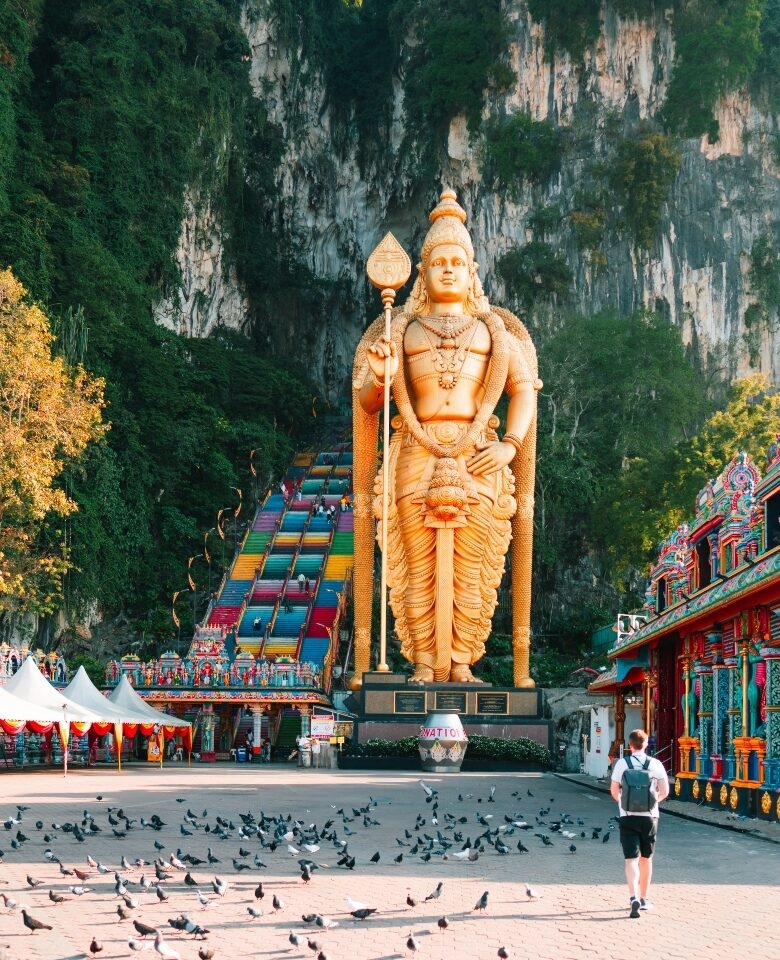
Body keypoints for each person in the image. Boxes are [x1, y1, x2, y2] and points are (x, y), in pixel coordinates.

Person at [353, 190, 540, 684]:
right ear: (422, 271)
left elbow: (524, 391)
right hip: (415, 450)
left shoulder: (494, 332)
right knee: (416, 565)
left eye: (458, 261)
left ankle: (460, 661)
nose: (449, 270)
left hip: (479, 452)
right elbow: (371, 401)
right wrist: (379, 373)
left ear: (473, 269)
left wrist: (511, 444)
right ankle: (422, 661)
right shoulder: (401, 329)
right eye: (439, 262)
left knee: (474, 565)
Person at [610, 729, 669, 918]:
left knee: (631, 859)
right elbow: (665, 790)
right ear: (646, 745)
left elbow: (613, 790)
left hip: (627, 816)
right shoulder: (655, 764)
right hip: (650, 817)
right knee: (646, 858)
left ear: (630, 745)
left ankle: (633, 896)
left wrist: (623, 803)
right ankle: (644, 898)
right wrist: (653, 802)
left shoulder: (621, 764)